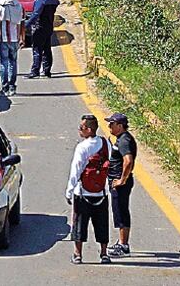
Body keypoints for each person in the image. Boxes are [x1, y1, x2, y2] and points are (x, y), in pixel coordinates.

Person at [66, 114, 112, 265]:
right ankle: (104, 253)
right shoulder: (105, 144)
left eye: (82, 127)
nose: (79, 130)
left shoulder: (82, 147)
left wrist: (69, 190)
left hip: (82, 193)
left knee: (79, 224)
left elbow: (76, 170)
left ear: (89, 129)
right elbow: (110, 165)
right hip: (101, 193)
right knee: (102, 223)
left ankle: (78, 254)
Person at [106, 112, 137, 258]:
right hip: (118, 181)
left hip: (120, 184)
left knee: (121, 212)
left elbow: (128, 161)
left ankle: (123, 245)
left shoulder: (124, 141)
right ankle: (122, 242)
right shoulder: (121, 139)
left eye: (111, 124)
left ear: (119, 126)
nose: (109, 126)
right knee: (119, 211)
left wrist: (121, 180)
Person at [0, 0, 25, 96]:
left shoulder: (0, 6)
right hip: (15, 39)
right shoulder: (19, 6)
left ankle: (4, 87)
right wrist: (22, 38)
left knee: (3, 64)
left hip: (3, 39)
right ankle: (12, 87)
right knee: (13, 63)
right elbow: (22, 23)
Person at [27, 0, 60, 78]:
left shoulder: (41, 0)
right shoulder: (52, 1)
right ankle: (47, 70)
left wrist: (27, 24)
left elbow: (36, 14)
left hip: (39, 27)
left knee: (37, 49)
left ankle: (35, 71)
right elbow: (57, 1)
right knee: (47, 49)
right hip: (49, 27)